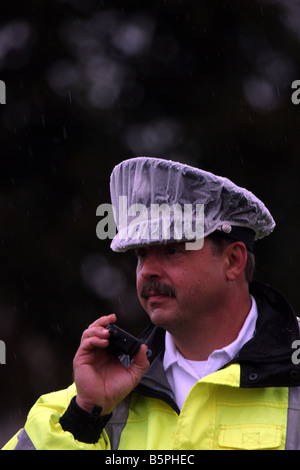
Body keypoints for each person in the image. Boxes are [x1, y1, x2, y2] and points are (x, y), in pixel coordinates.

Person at [3, 157, 300, 450]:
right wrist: (85, 418)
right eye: (142, 253)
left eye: (172, 250)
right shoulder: (94, 397)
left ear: (233, 260)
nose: (148, 270)